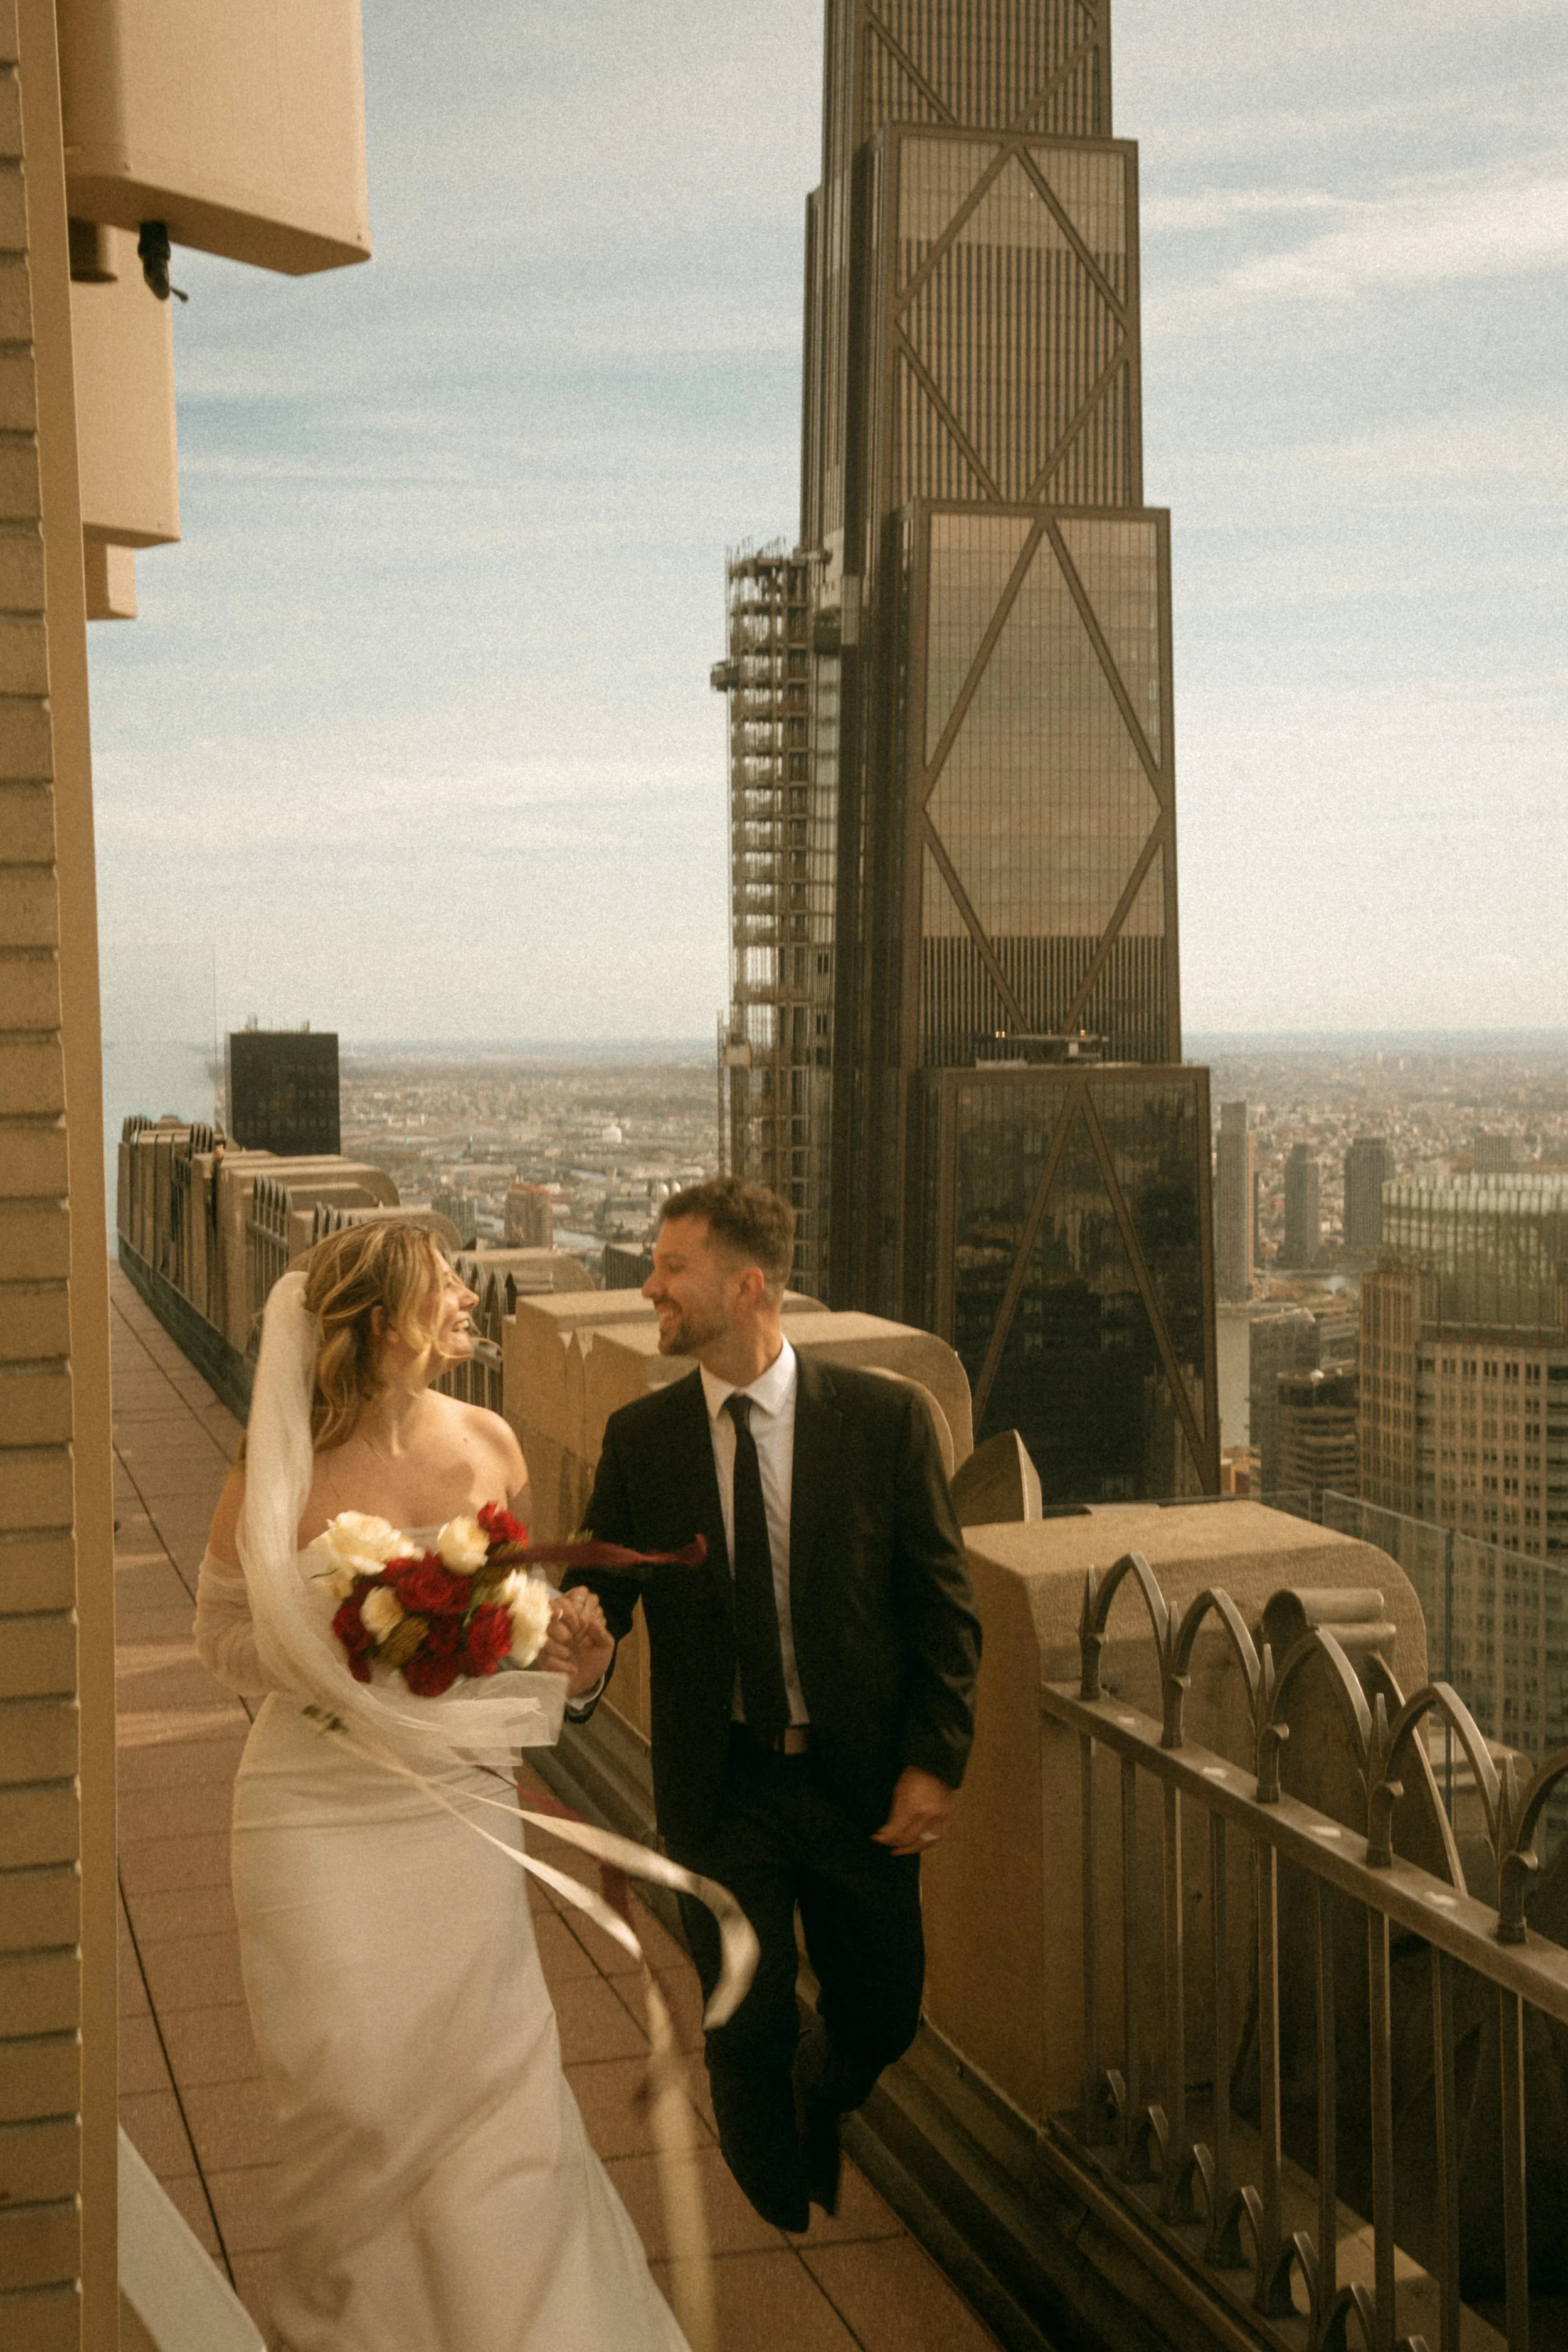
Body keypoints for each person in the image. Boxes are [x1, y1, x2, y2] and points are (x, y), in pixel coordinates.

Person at [194, 1220, 687, 2352]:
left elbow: (516, 1645)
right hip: (312, 1807)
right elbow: (219, 1632)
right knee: (349, 2090)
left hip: (455, 1805)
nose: (466, 1296)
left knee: (487, 2081)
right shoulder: (278, 1464)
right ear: (381, 1324)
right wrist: (351, 1650)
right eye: (442, 1284)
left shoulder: (490, 1445)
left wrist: (573, 1654)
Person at [565, 1177, 982, 2233]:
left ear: (747, 1285)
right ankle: (774, 2212)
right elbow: (599, 1598)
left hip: (859, 1784)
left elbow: (943, 1609)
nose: (648, 1283)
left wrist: (935, 1760)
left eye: (672, 1267)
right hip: (724, 1781)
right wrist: (581, 1657)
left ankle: (819, 2093)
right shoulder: (643, 1440)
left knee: (882, 2014)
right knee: (743, 2021)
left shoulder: (884, 1424)